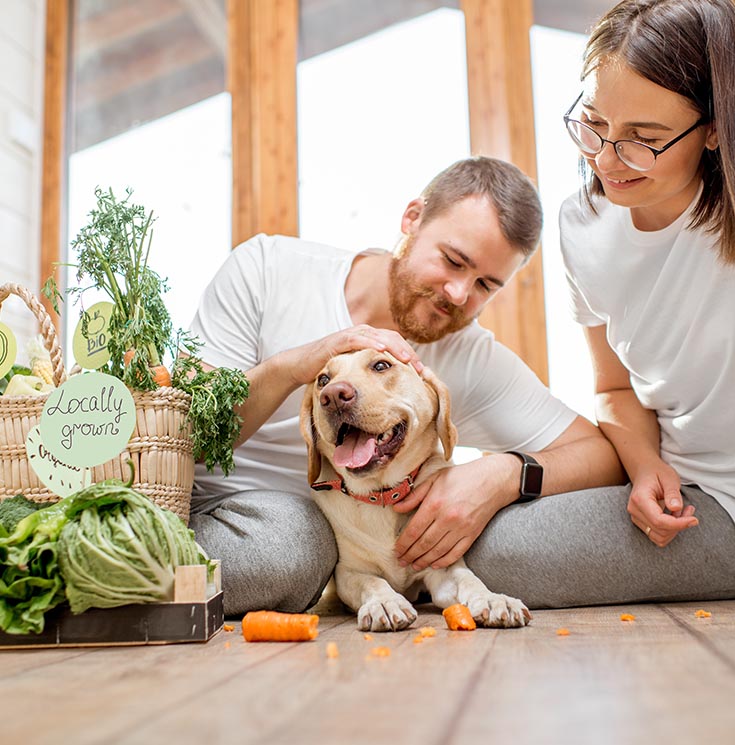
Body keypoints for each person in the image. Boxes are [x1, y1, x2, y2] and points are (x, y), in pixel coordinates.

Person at [188, 156, 624, 617]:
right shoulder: (267, 269)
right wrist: (295, 366)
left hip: (339, 556)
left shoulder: (470, 358)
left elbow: (601, 456)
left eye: (485, 286)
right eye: (453, 261)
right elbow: (189, 435)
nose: (458, 294)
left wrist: (502, 475)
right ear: (412, 219)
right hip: (216, 517)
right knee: (296, 544)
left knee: (504, 540)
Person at [556, 0, 735, 600]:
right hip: (690, 497)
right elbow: (613, 389)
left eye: (644, 140)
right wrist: (646, 468)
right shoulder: (580, 225)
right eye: (594, 125)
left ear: (716, 127)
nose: (606, 161)